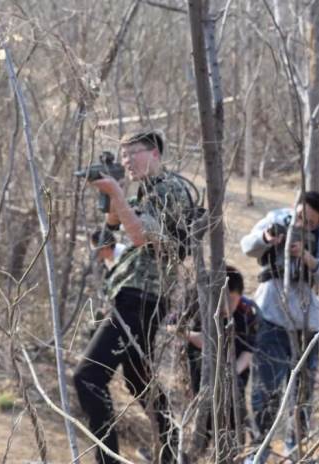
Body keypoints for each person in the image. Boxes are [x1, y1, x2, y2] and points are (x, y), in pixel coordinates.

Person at [73, 130, 193, 464]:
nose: (126, 161)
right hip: (136, 297)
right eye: (122, 156)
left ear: (154, 152)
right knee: (140, 383)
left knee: (88, 377)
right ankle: (173, 453)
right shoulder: (145, 193)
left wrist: (115, 192)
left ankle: (109, 459)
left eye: (133, 154)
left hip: (141, 300)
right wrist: (114, 198)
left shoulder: (170, 189)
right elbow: (111, 230)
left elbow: (142, 237)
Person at [239, 191, 319, 459]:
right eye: (300, 216)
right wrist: (266, 239)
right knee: (264, 392)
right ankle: (259, 451)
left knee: (302, 394)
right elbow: (247, 246)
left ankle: (296, 451)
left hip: (306, 323)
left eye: (310, 222)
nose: (303, 223)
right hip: (270, 316)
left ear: (318, 223)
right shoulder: (275, 219)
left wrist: (307, 257)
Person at [170, 265, 258, 430]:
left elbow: (249, 351)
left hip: (235, 367)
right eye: (221, 299)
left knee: (233, 411)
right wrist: (193, 336)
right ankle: (201, 448)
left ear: (240, 295)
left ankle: (234, 449)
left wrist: (232, 372)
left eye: (232, 300)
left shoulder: (247, 311)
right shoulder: (197, 300)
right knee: (205, 410)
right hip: (200, 363)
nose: (226, 307)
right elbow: (171, 324)